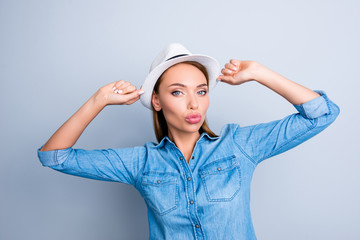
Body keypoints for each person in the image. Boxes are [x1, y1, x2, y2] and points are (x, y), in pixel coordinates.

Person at [37, 43, 340, 239]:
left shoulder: (239, 146)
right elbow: (54, 156)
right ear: (156, 101)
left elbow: (321, 114)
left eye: (202, 90)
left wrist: (259, 72)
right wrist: (98, 100)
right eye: (178, 92)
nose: (194, 104)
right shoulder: (140, 163)